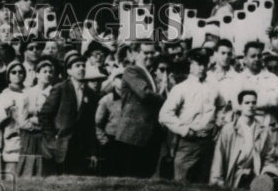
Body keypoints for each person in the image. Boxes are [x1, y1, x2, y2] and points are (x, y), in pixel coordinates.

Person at [157, 49, 220, 183]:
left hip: (208, 142)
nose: (202, 67)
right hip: (188, 143)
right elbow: (165, 115)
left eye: (204, 63)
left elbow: (223, 107)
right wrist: (185, 131)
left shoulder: (213, 88)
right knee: (182, 183)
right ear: (190, 65)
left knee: (203, 185)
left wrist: (217, 125)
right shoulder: (181, 88)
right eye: (198, 63)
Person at [210, 89, 278, 190]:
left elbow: (269, 157)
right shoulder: (229, 129)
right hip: (234, 176)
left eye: (253, 103)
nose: (251, 106)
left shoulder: (263, 130)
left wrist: (267, 173)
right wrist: (217, 181)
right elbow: (219, 157)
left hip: (254, 175)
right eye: (247, 103)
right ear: (240, 105)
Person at [39, 51, 100, 176]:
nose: (81, 68)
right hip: (59, 146)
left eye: (83, 65)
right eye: (77, 66)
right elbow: (45, 115)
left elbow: (90, 125)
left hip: (80, 148)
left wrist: (93, 151)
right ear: (69, 71)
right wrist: (52, 139)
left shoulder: (90, 93)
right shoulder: (60, 88)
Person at [108, 41, 163, 177]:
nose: (149, 56)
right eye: (145, 53)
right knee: (131, 177)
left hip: (148, 134)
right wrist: (164, 98)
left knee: (144, 175)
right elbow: (144, 94)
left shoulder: (151, 74)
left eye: (152, 53)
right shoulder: (131, 70)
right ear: (136, 54)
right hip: (132, 134)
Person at [15, 57, 54, 177]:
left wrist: (42, 125)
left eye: (50, 72)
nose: (48, 74)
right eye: (44, 71)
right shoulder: (28, 93)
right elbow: (21, 120)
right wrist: (35, 126)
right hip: (30, 136)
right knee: (28, 167)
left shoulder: (54, 93)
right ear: (37, 74)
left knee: (46, 168)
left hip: (47, 136)